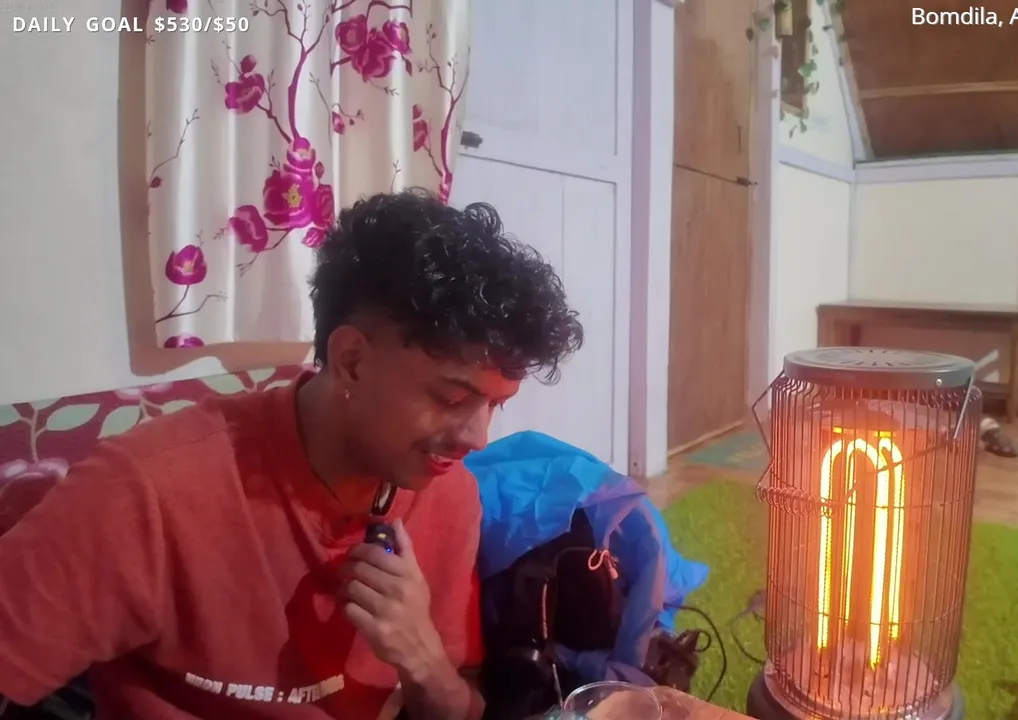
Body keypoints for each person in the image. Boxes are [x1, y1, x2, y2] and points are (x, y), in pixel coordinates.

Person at [0, 189, 584, 720]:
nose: (477, 438)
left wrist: (424, 663)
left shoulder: (450, 494)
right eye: (452, 398)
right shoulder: (144, 493)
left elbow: (458, 707)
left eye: (496, 404)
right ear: (352, 360)